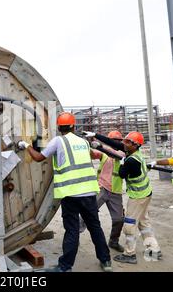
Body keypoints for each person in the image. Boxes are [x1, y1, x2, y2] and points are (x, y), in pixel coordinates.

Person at [18, 112, 112, 272]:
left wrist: (25, 145)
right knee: (95, 227)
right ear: (73, 126)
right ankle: (106, 261)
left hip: (70, 194)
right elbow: (91, 155)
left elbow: (39, 157)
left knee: (72, 230)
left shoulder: (57, 141)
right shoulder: (83, 142)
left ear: (58, 127)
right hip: (89, 192)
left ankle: (65, 267)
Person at [84, 130, 161, 264]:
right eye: (123, 141)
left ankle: (129, 254)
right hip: (144, 194)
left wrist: (123, 161)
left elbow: (121, 173)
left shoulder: (131, 160)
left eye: (127, 142)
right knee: (144, 224)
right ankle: (154, 249)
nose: (123, 144)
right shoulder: (133, 152)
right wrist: (95, 135)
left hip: (137, 196)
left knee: (129, 224)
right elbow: (111, 145)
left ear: (135, 145)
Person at [79, 131, 126, 253]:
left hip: (116, 191)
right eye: (114, 140)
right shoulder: (104, 154)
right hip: (102, 188)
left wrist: (100, 145)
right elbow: (93, 154)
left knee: (119, 219)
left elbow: (114, 154)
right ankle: (75, 235)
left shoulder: (122, 154)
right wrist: (88, 143)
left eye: (118, 140)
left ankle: (114, 241)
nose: (116, 142)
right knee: (88, 212)